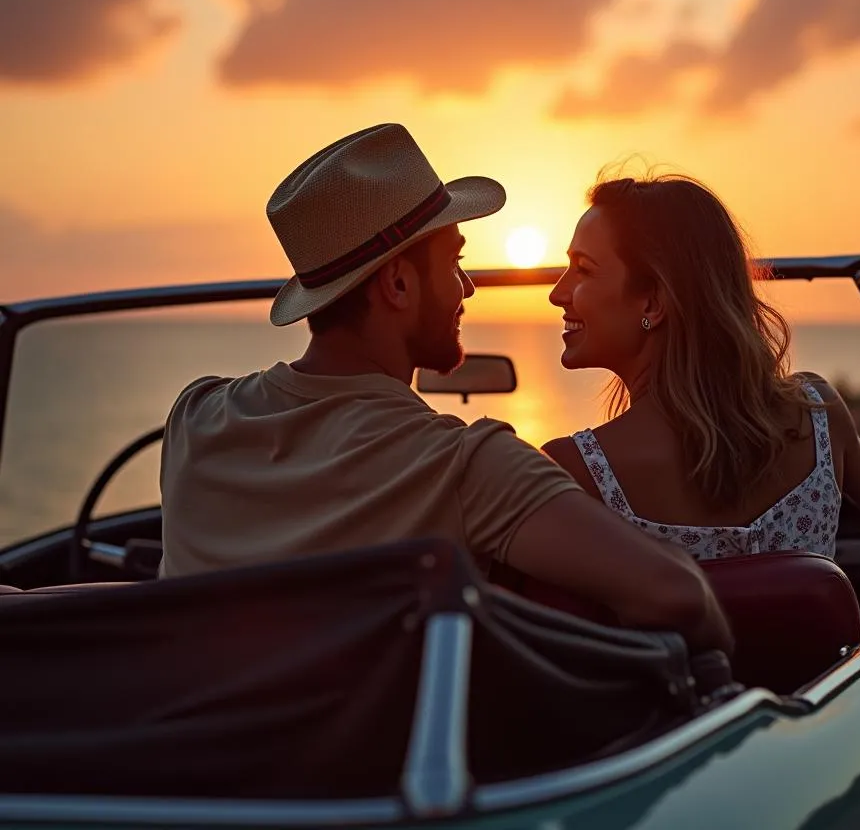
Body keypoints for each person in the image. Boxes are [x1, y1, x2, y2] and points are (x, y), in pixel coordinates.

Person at [159, 124, 732, 653]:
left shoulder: (195, 420)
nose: (466, 287)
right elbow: (678, 596)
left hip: (193, 758)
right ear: (400, 284)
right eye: (454, 262)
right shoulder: (465, 467)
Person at [542, 173, 860, 560]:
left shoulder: (573, 472)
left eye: (583, 269)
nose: (557, 293)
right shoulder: (817, 414)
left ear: (652, 303)